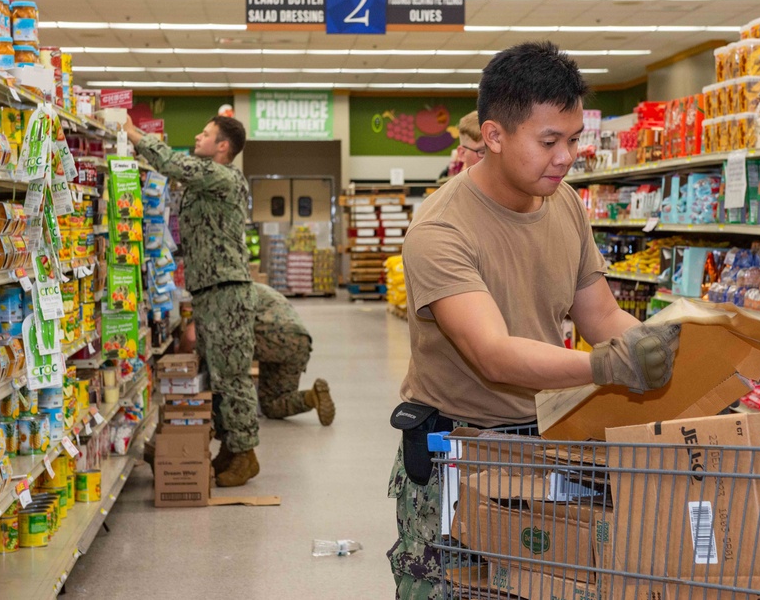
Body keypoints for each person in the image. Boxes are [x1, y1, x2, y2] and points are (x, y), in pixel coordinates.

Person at [386, 41, 680, 599]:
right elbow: (493, 353)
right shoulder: (441, 230)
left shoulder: (565, 205)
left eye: (573, 140)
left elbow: (601, 315)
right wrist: (606, 366)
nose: (566, 157)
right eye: (549, 141)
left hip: (547, 446)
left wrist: (655, 346)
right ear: (494, 136)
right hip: (458, 454)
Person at [124, 115, 261, 488]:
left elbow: (174, 164)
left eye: (205, 133)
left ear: (222, 147)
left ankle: (246, 455)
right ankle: (233, 448)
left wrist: (135, 134)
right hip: (210, 290)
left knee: (232, 376)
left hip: (227, 291)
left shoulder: (224, 176)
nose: (197, 136)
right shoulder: (206, 181)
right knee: (219, 375)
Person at [211, 282, 336, 472]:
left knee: (228, 356)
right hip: (300, 342)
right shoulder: (259, 289)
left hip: (272, 338)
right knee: (272, 404)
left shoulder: (228, 295)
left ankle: (234, 433)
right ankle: (312, 397)